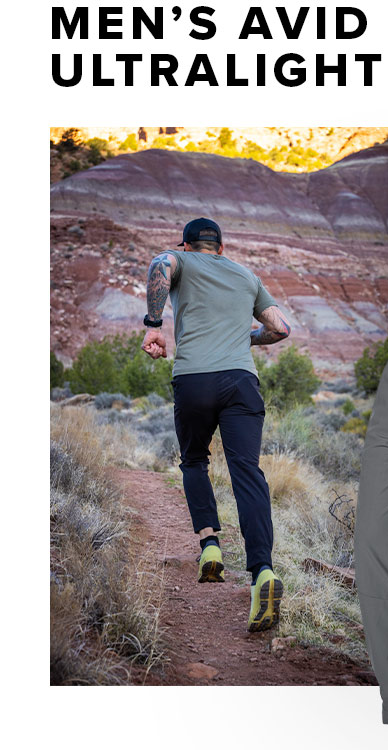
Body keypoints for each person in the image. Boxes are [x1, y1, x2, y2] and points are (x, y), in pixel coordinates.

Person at [141, 217, 292, 632]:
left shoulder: (181, 261)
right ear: (221, 249)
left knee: (194, 461)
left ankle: (210, 546)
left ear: (187, 246)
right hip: (242, 383)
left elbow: (159, 266)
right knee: (248, 472)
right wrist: (245, 338)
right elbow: (280, 328)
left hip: (194, 379)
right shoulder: (247, 275)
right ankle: (263, 570)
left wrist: (154, 326)